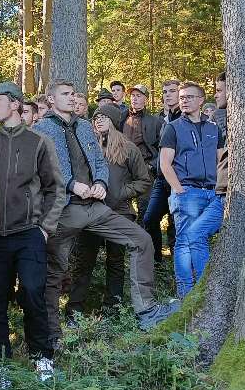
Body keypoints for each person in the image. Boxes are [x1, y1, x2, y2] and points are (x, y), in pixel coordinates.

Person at [34, 82, 177, 343]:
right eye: (64, 94)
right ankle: (50, 333)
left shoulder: (84, 127)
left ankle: (146, 310)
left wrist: (100, 183)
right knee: (55, 270)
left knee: (141, 240)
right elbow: (44, 167)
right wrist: (70, 183)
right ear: (51, 100)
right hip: (63, 210)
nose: (71, 98)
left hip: (95, 208)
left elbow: (99, 161)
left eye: (73, 94)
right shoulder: (41, 129)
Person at [0, 81, 65, 382]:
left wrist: (44, 229)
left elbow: (56, 189)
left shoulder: (39, 142)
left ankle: (42, 358)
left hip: (29, 233)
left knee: (32, 292)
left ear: (15, 104)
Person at [66, 104, 152, 317]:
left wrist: (121, 192)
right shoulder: (87, 147)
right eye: (96, 117)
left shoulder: (128, 148)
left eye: (105, 116)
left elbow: (144, 181)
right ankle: (75, 309)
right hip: (90, 211)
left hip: (120, 212)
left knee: (115, 262)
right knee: (84, 261)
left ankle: (113, 307)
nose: (99, 120)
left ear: (115, 120)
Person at [160, 81, 226, 297]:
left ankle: (199, 292)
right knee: (184, 242)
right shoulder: (173, 127)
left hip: (213, 193)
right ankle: (188, 295)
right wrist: (179, 190)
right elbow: (164, 164)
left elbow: (221, 160)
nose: (184, 101)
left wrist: (221, 189)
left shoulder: (213, 128)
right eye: (182, 98)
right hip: (187, 192)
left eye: (189, 97)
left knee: (197, 238)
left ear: (200, 100)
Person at [140, 79, 181, 261]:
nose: (168, 95)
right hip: (161, 179)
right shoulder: (164, 120)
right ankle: (157, 260)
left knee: (177, 223)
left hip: (180, 179)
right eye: (165, 92)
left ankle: (177, 264)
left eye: (172, 91)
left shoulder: (187, 119)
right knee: (149, 219)